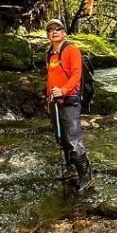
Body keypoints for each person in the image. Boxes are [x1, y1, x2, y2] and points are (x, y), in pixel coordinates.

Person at [45, 18, 93, 192]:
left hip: (70, 100)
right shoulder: (49, 53)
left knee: (74, 139)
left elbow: (76, 75)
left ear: (64, 32)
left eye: (58, 28)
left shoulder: (72, 50)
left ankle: (86, 177)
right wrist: (49, 96)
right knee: (61, 138)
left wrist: (63, 90)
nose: (54, 32)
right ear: (48, 35)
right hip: (54, 101)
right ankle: (71, 169)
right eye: (51, 29)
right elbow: (50, 76)